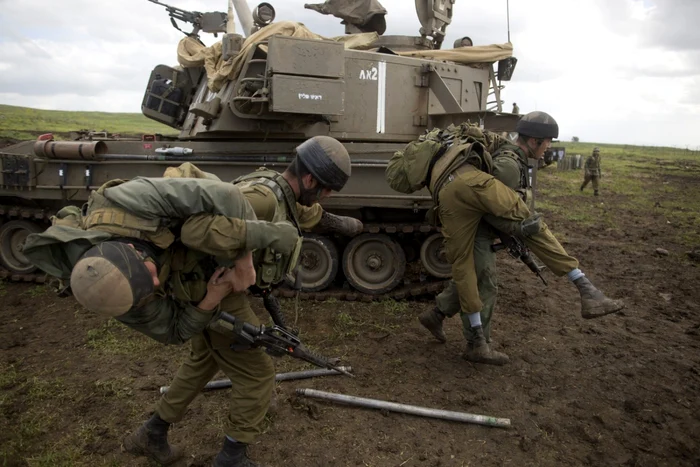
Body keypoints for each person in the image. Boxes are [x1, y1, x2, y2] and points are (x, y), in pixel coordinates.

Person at [130, 135, 362, 467]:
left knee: (203, 360)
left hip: (210, 288)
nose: (324, 197)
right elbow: (196, 229)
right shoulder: (263, 199)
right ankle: (231, 458)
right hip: (216, 290)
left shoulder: (282, 191)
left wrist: (344, 224)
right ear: (311, 180)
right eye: (326, 190)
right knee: (258, 374)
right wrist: (237, 269)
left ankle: (152, 433)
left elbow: (308, 215)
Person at [416, 112, 624, 365]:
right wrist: (519, 231)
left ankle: (436, 315)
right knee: (485, 283)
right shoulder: (509, 167)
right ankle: (476, 344)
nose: (549, 147)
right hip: (476, 229)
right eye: (547, 141)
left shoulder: (513, 159)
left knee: (471, 277)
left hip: (476, 225)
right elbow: (488, 205)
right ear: (534, 141)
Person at [23, 177, 299, 345]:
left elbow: (226, 195)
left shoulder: (131, 200)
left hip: (194, 214)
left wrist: (244, 263)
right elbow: (174, 332)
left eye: (149, 275)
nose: (156, 283)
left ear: (133, 249)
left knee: (199, 229)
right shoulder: (119, 299)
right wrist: (211, 299)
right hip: (181, 258)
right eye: (148, 287)